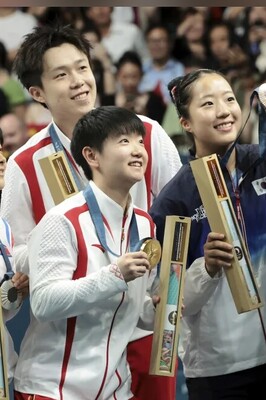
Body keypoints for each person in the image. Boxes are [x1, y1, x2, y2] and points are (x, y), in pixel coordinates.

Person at [0, 24, 182, 400]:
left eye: (82, 68)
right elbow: (15, 253)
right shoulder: (25, 162)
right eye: (62, 75)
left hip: (143, 323)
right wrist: (75, 258)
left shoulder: (145, 136)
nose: (79, 81)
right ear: (37, 93)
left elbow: (176, 220)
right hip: (74, 334)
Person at [13, 106, 159, 400]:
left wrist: (155, 309)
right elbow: (44, 303)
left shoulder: (144, 223)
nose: (138, 150)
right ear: (92, 156)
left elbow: (130, 311)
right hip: (53, 389)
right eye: (124, 141)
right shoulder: (61, 220)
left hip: (116, 390)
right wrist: (115, 274)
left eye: (140, 141)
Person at [149, 68, 266, 399]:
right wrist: (208, 268)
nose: (224, 110)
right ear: (185, 122)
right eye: (208, 104)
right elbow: (168, 300)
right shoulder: (175, 199)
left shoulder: (261, 162)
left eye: (229, 99)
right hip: (221, 370)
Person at [0, 127, 29, 389]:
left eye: (1, 149)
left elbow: (6, 306)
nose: (2, 159)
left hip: (5, 366)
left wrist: (19, 288)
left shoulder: (4, 226)